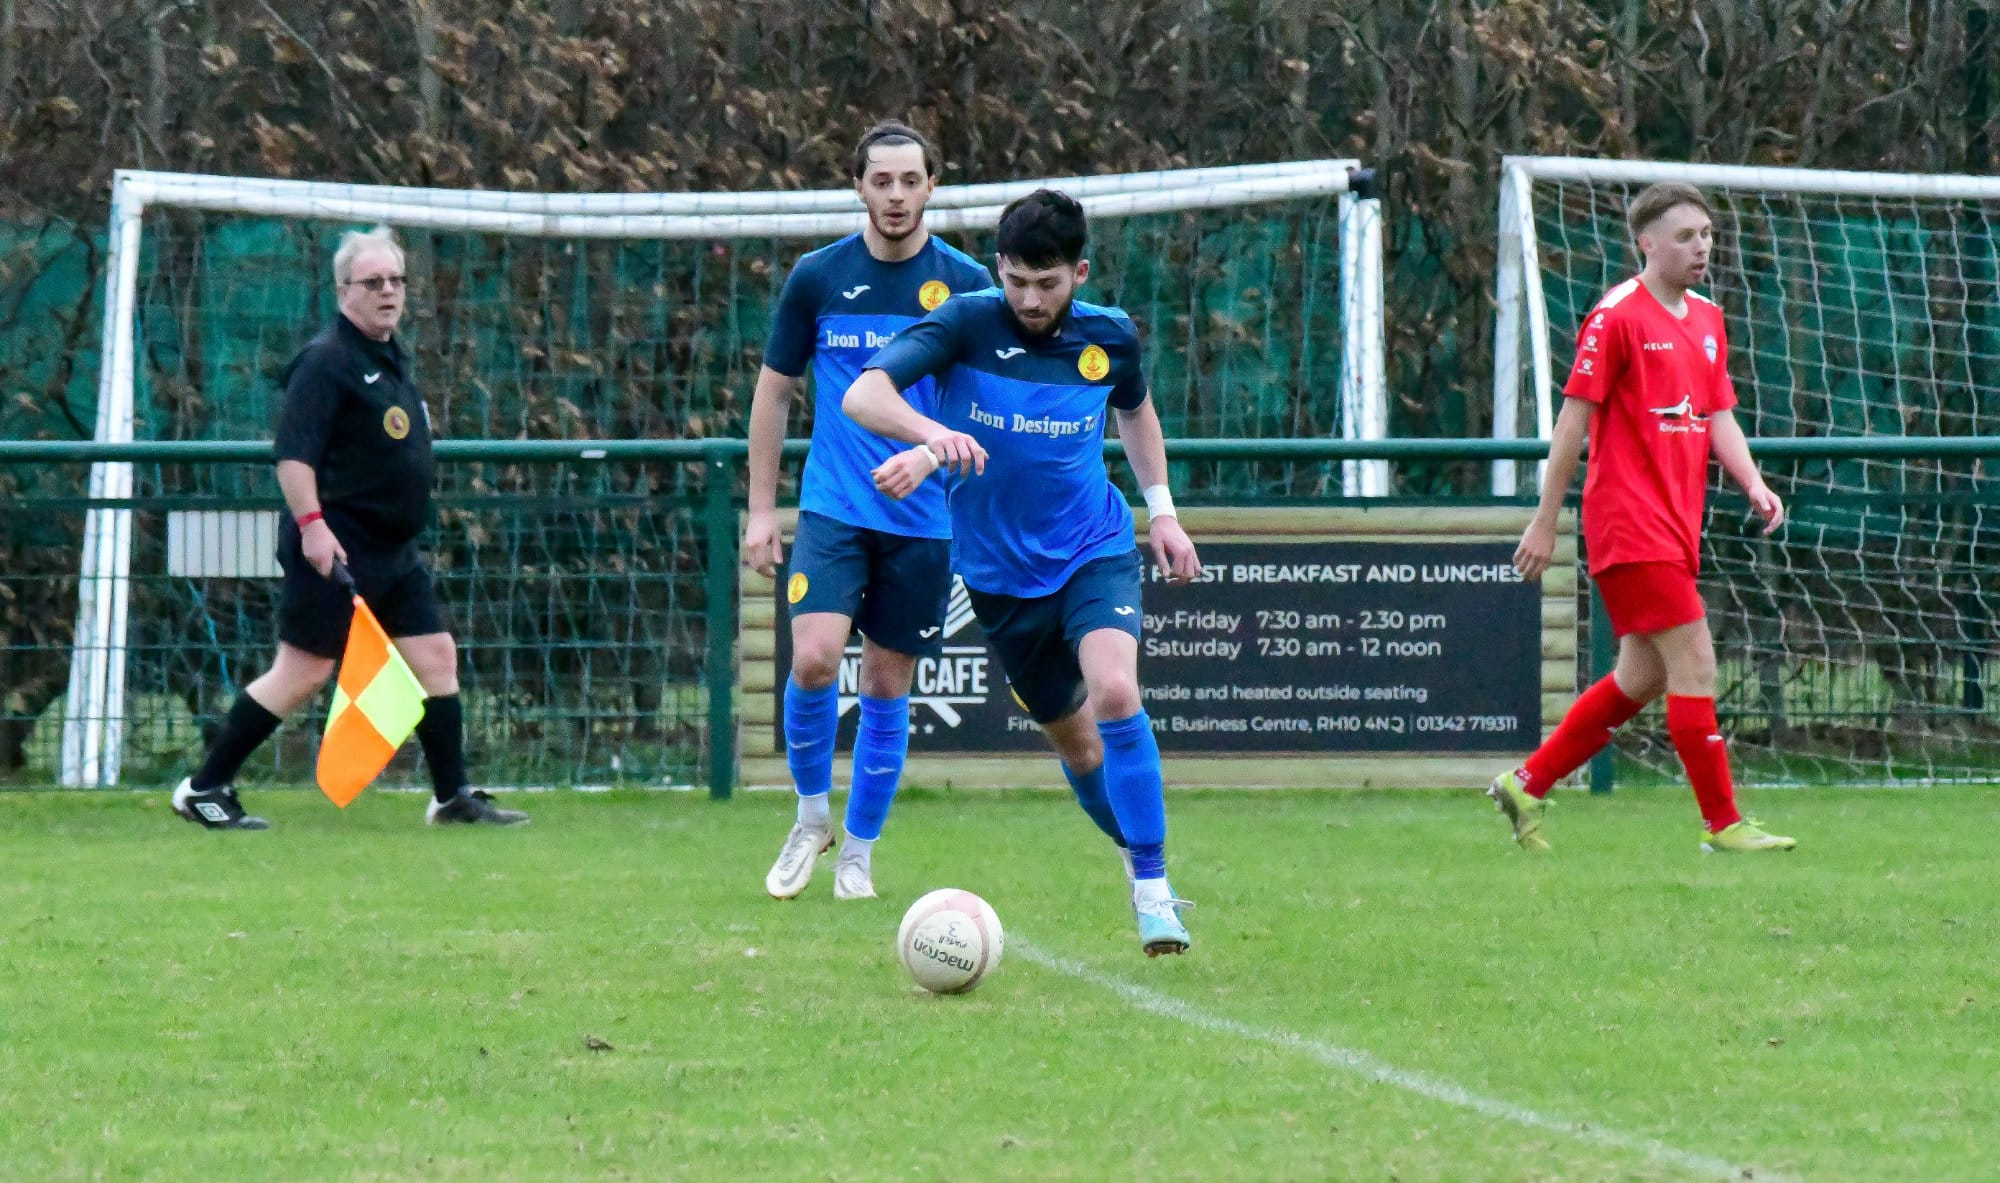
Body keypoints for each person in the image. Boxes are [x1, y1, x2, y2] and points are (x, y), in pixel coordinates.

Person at [845, 189, 1201, 956]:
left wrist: (1163, 511)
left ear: (1079, 273)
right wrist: (932, 436)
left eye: (1047, 283)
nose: (1030, 300)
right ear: (999, 268)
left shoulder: (1109, 336)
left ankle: (1153, 887)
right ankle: (1134, 850)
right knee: (1080, 750)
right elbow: (863, 394)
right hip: (1000, 579)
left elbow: (1134, 409)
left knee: (1115, 689)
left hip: (1093, 548)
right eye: (1016, 281)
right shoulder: (965, 323)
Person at [171, 226, 526, 830]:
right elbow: (293, 457)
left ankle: (451, 798)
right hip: (336, 547)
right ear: (343, 291)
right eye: (373, 282)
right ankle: (202, 789)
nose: (388, 291)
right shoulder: (326, 361)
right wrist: (313, 527)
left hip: (393, 551)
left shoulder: (388, 357)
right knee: (303, 671)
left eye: (396, 280)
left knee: (435, 655)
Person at [1494, 182, 1794, 854]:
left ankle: (1526, 782)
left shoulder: (1708, 318)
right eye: (1686, 237)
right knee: (1696, 660)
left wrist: (1752, 481)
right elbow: (1572, 423)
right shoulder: (1616, 316)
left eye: (1707, 235)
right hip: (1628, 521)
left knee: (1643, 676)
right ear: (1647, 243)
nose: (1701, 247)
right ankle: (1723, 825)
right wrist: (1546, 520)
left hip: (1676, 524)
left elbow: (1717, 414)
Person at [744, 121, 993, 901]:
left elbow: (980, 407)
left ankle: (858, 851)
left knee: (887, 684)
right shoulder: (818, 277)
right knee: (815, 658)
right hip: (834, 507)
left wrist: (938, 461)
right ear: (858, 186)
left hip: (923, 520)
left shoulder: (965, 284)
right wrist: (761, 509)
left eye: (909, 180)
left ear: (931, 186)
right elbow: (774, 393)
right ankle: (810, 816)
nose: (895, 195)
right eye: (880, 180)